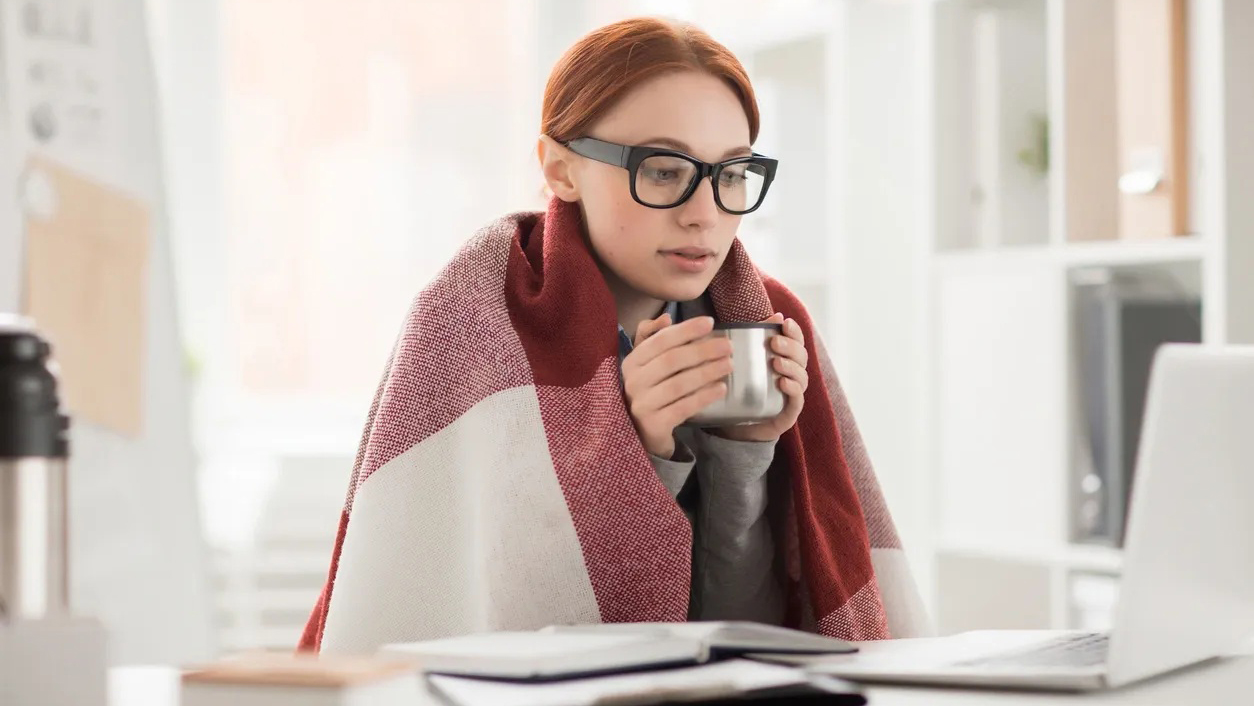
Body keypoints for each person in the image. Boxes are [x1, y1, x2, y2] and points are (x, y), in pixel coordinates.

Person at [300, 16, 929, 655]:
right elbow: (513, 636)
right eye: (663, 171)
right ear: (561, 169)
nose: (705, 214)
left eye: (733, 174)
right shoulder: (472, 322)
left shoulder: (768, 321)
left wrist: (745, 450)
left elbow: (749, 636)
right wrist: (638, 455)